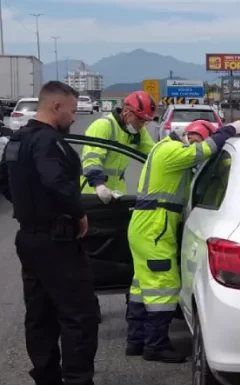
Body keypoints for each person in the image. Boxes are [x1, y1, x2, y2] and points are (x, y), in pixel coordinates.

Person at [0, 81, 98, 385]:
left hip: (29, 237)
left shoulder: (17, 140)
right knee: (79, 316)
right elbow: (55, 181)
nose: (73, 117)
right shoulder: (48, 141)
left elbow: (4, 182)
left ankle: (46, 377)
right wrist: (79, 212)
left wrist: (30, 208)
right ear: (56, 107)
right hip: (57, 241)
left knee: (40, 314)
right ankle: (78, 380)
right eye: (71, 111)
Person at [125, 119, 240, 363]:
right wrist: (232, 129)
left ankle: (136, 340)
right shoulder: (172, 151)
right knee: (163, 285)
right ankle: (156, 345)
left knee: (142, 286)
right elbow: (205, 150)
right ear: (194, 136)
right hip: (155, 227)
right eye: (199, 140)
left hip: (146, 226)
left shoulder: (164, 149)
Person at [81, 90, 157, 322]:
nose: (142, 124)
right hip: (92, 198)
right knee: (89, 256)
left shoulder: (135, 132)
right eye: (140, 119)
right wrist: (99, 186)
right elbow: (92, 158)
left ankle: (131, 304)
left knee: (123, 251)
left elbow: (153, 153)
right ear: (126, 112)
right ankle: (88, 305)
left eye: (145, 121)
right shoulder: (103, 127)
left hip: (115, 199)